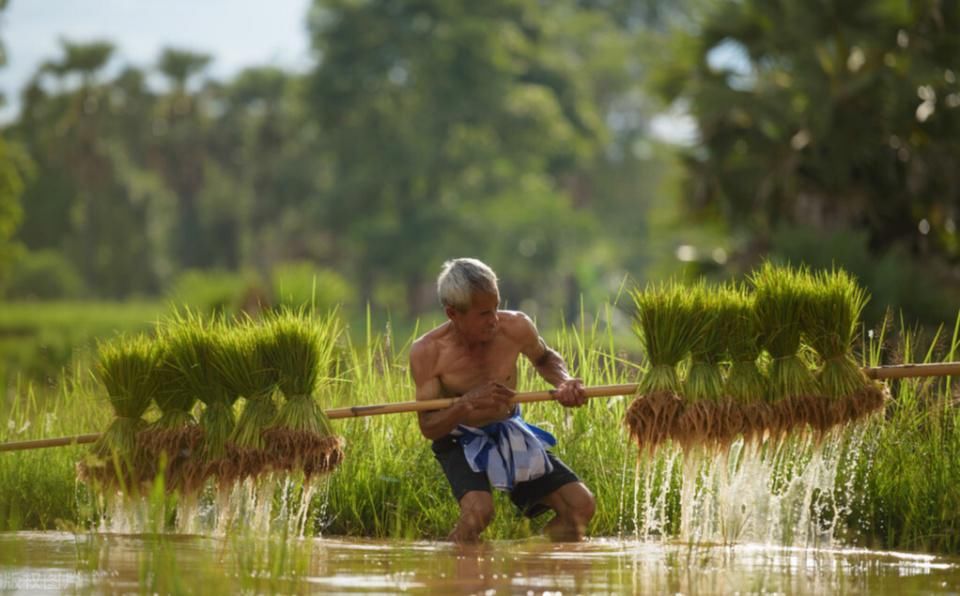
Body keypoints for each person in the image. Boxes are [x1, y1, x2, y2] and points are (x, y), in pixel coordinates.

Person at [409, 258, 596, 543]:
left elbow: (545, 358)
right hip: (459, 437)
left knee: (580, 507)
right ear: (453, 313)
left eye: (496, 307)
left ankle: (528, 561)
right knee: (478, 514)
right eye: (484, 313)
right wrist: (466, 404)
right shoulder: (428, 352)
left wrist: (564, 382)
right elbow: (429, 427)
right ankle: (450, 570)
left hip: (509, 429)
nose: (494, 319)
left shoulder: (517, 326)